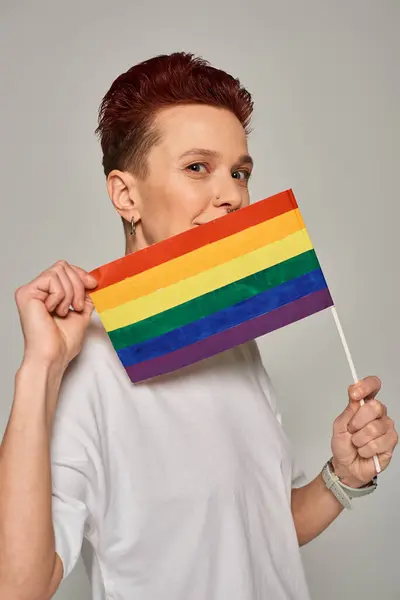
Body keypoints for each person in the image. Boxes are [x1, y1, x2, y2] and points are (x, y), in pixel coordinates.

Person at [0, 52, 397, 600]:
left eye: (240, 172)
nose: (233, 193)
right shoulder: (81, 365)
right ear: (126, 195)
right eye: (197, 167)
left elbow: (264, 532)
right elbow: (18, 586)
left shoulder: (233, 340)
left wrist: (342, 476)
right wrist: (39, 370)